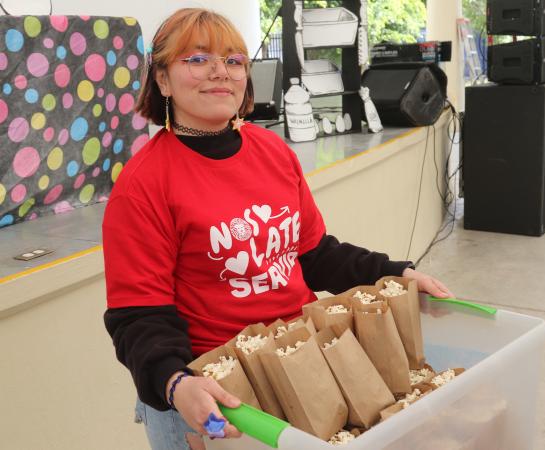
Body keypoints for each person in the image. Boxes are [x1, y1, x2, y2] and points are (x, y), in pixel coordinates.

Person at [102, 8, 453, 450]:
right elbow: (139, 316)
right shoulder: (143, 185)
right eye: (197, 58)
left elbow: (314, 254)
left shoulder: (271, 150)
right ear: (162, 80)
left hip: (298, 361)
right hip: (211, 391)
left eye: (233, 60)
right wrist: (175, 383)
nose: (220, 72)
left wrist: (396, 273)